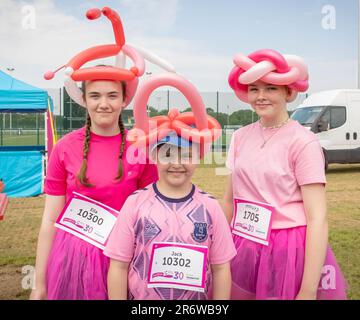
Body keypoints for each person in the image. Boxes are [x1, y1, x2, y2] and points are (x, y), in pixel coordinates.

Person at [223, 49, 347, 300]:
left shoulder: (303, 142)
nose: (261, 96)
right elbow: (228, 199)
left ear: (288, 92)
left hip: (286, 248)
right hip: (244, 242)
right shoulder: (239, 137)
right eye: (255, 89)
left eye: (270, 88)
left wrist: (308, 290)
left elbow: (317, 218)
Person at [104, 73, 236, 300]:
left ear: (199, 156)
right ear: (153, 156)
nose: (177, 163)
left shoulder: (211, 208)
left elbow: (221, 268)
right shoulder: (135, 203)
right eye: (167, 154)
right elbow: (118, 266)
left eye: (186, 155)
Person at [30, 77, 158, 300]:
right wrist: (38, 285)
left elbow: (151, 217)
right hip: (72, 258)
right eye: (95, 95)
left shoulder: (140, 149)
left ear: (124, 101)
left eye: (112, 95)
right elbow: (50, 220)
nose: (104, 104)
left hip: (121, 259)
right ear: (84, 99)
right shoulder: (64, 148)